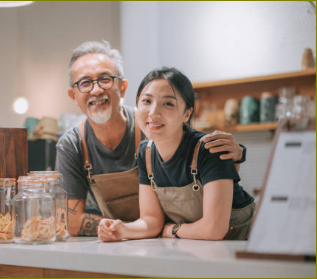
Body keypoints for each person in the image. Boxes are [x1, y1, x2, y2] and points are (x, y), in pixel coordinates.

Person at [56, 41, 248, 236]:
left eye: (105, 79)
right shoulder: (75, 145)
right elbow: (71, 221)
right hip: (161, 241)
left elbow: (205, 165)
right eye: (85, 83)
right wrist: (123, 230)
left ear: (122, 88)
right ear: (73, 95)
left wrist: (237, 155)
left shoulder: (159, 130)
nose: (96, 90)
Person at [97, 67, 255, 241]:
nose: (153, 112)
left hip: (248, 244)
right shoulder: (146, 152)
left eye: (168, 103)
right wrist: (123, 230)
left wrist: (172, 230)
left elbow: (214, 229)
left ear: (186, 113)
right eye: (147, 101)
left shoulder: (210, 148)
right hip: (199, 249)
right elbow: (151, 220)